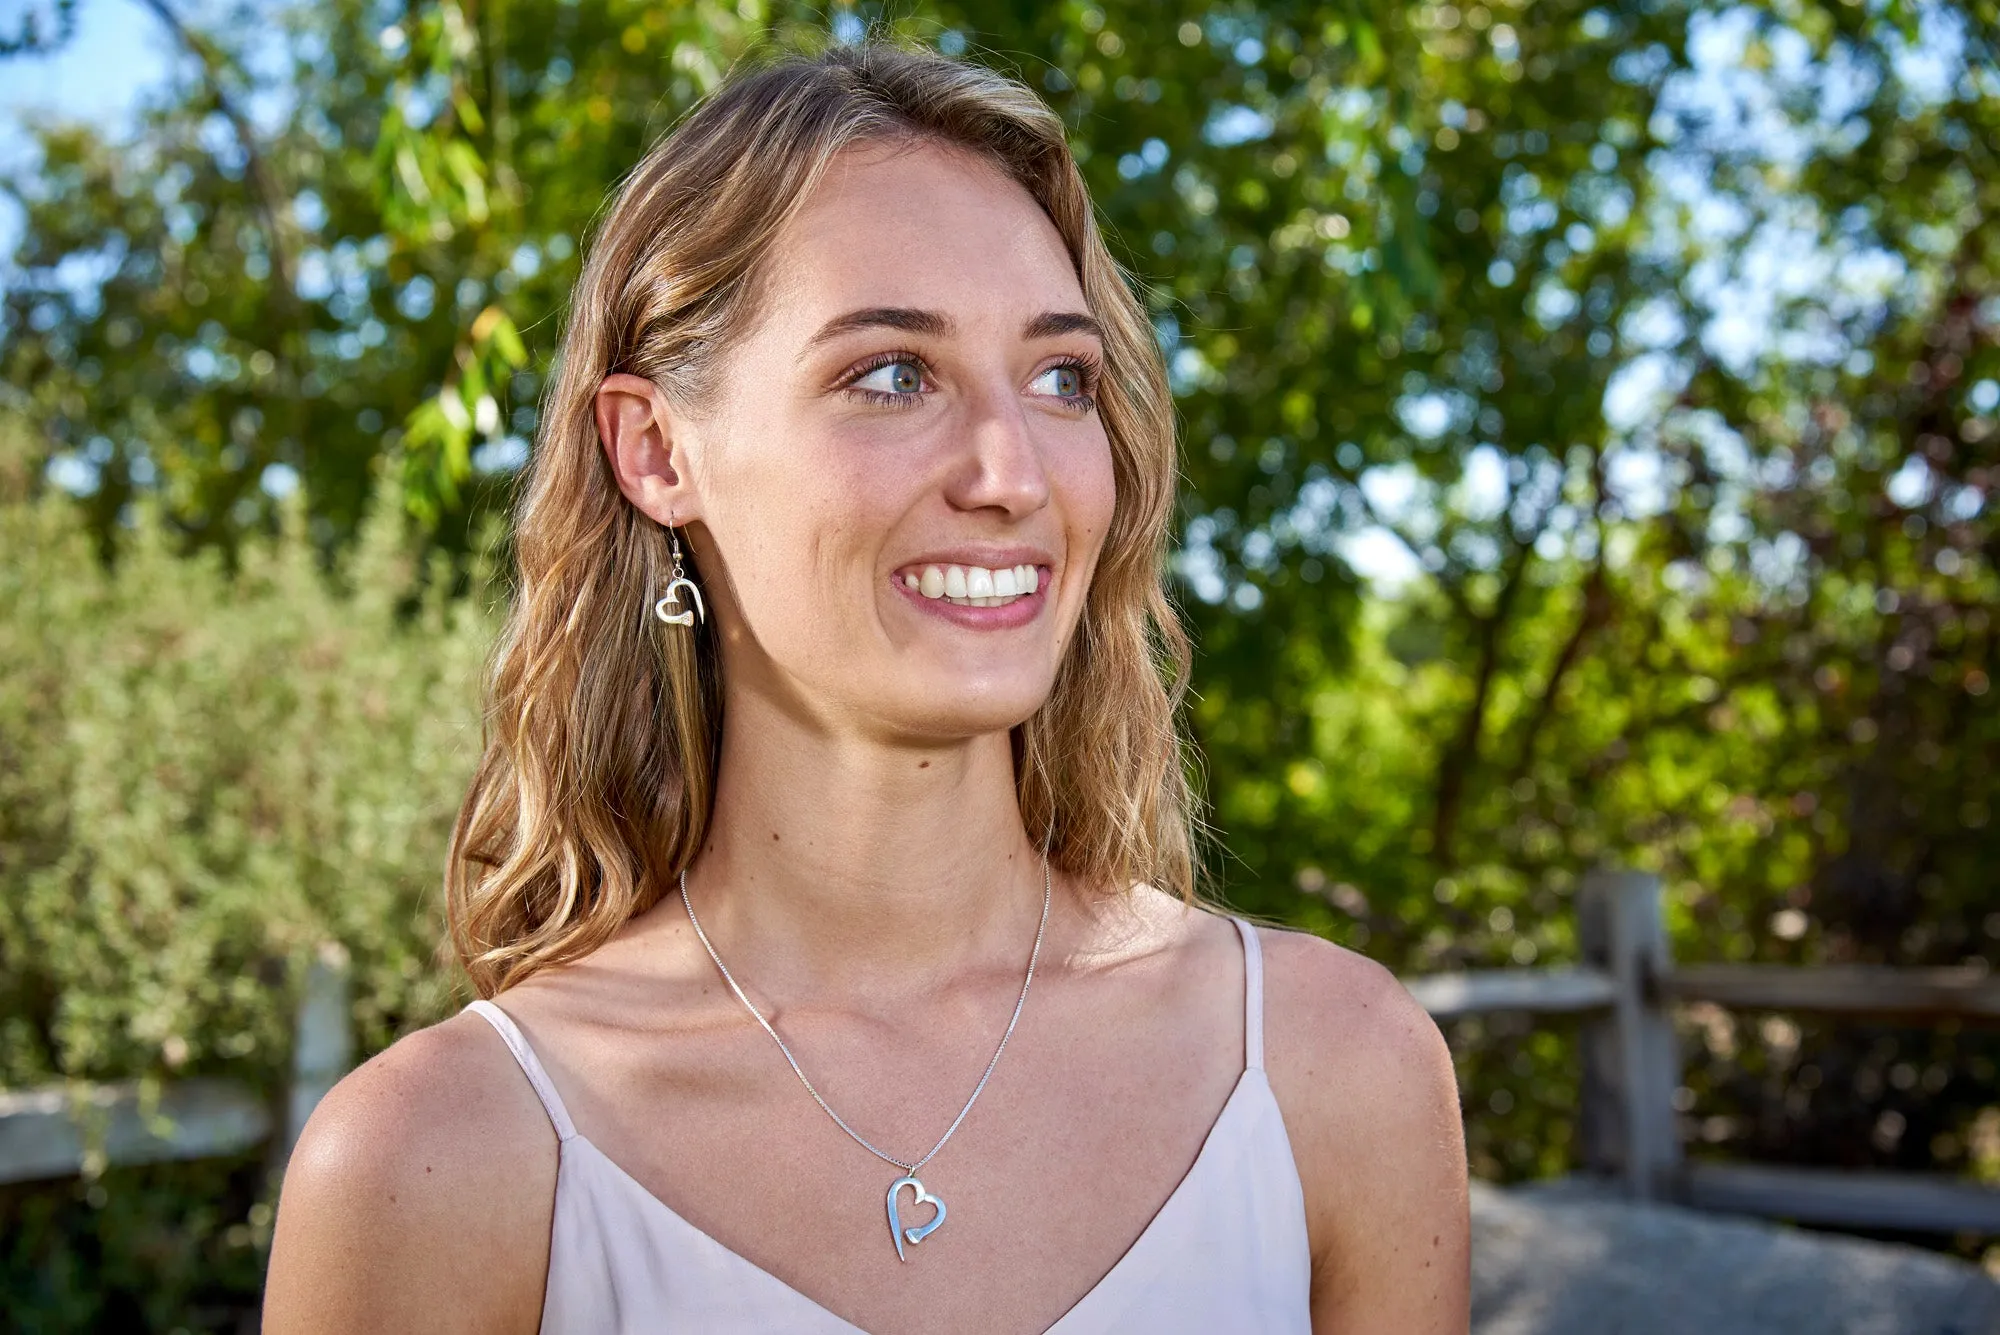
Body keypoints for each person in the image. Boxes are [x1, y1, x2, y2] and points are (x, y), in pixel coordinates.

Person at [263, 40, 1469, 1334]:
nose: (1011, 471)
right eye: (893, 373)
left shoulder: (1332, 1070)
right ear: (658, 448)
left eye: (1061, 378)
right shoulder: (439, 1166)